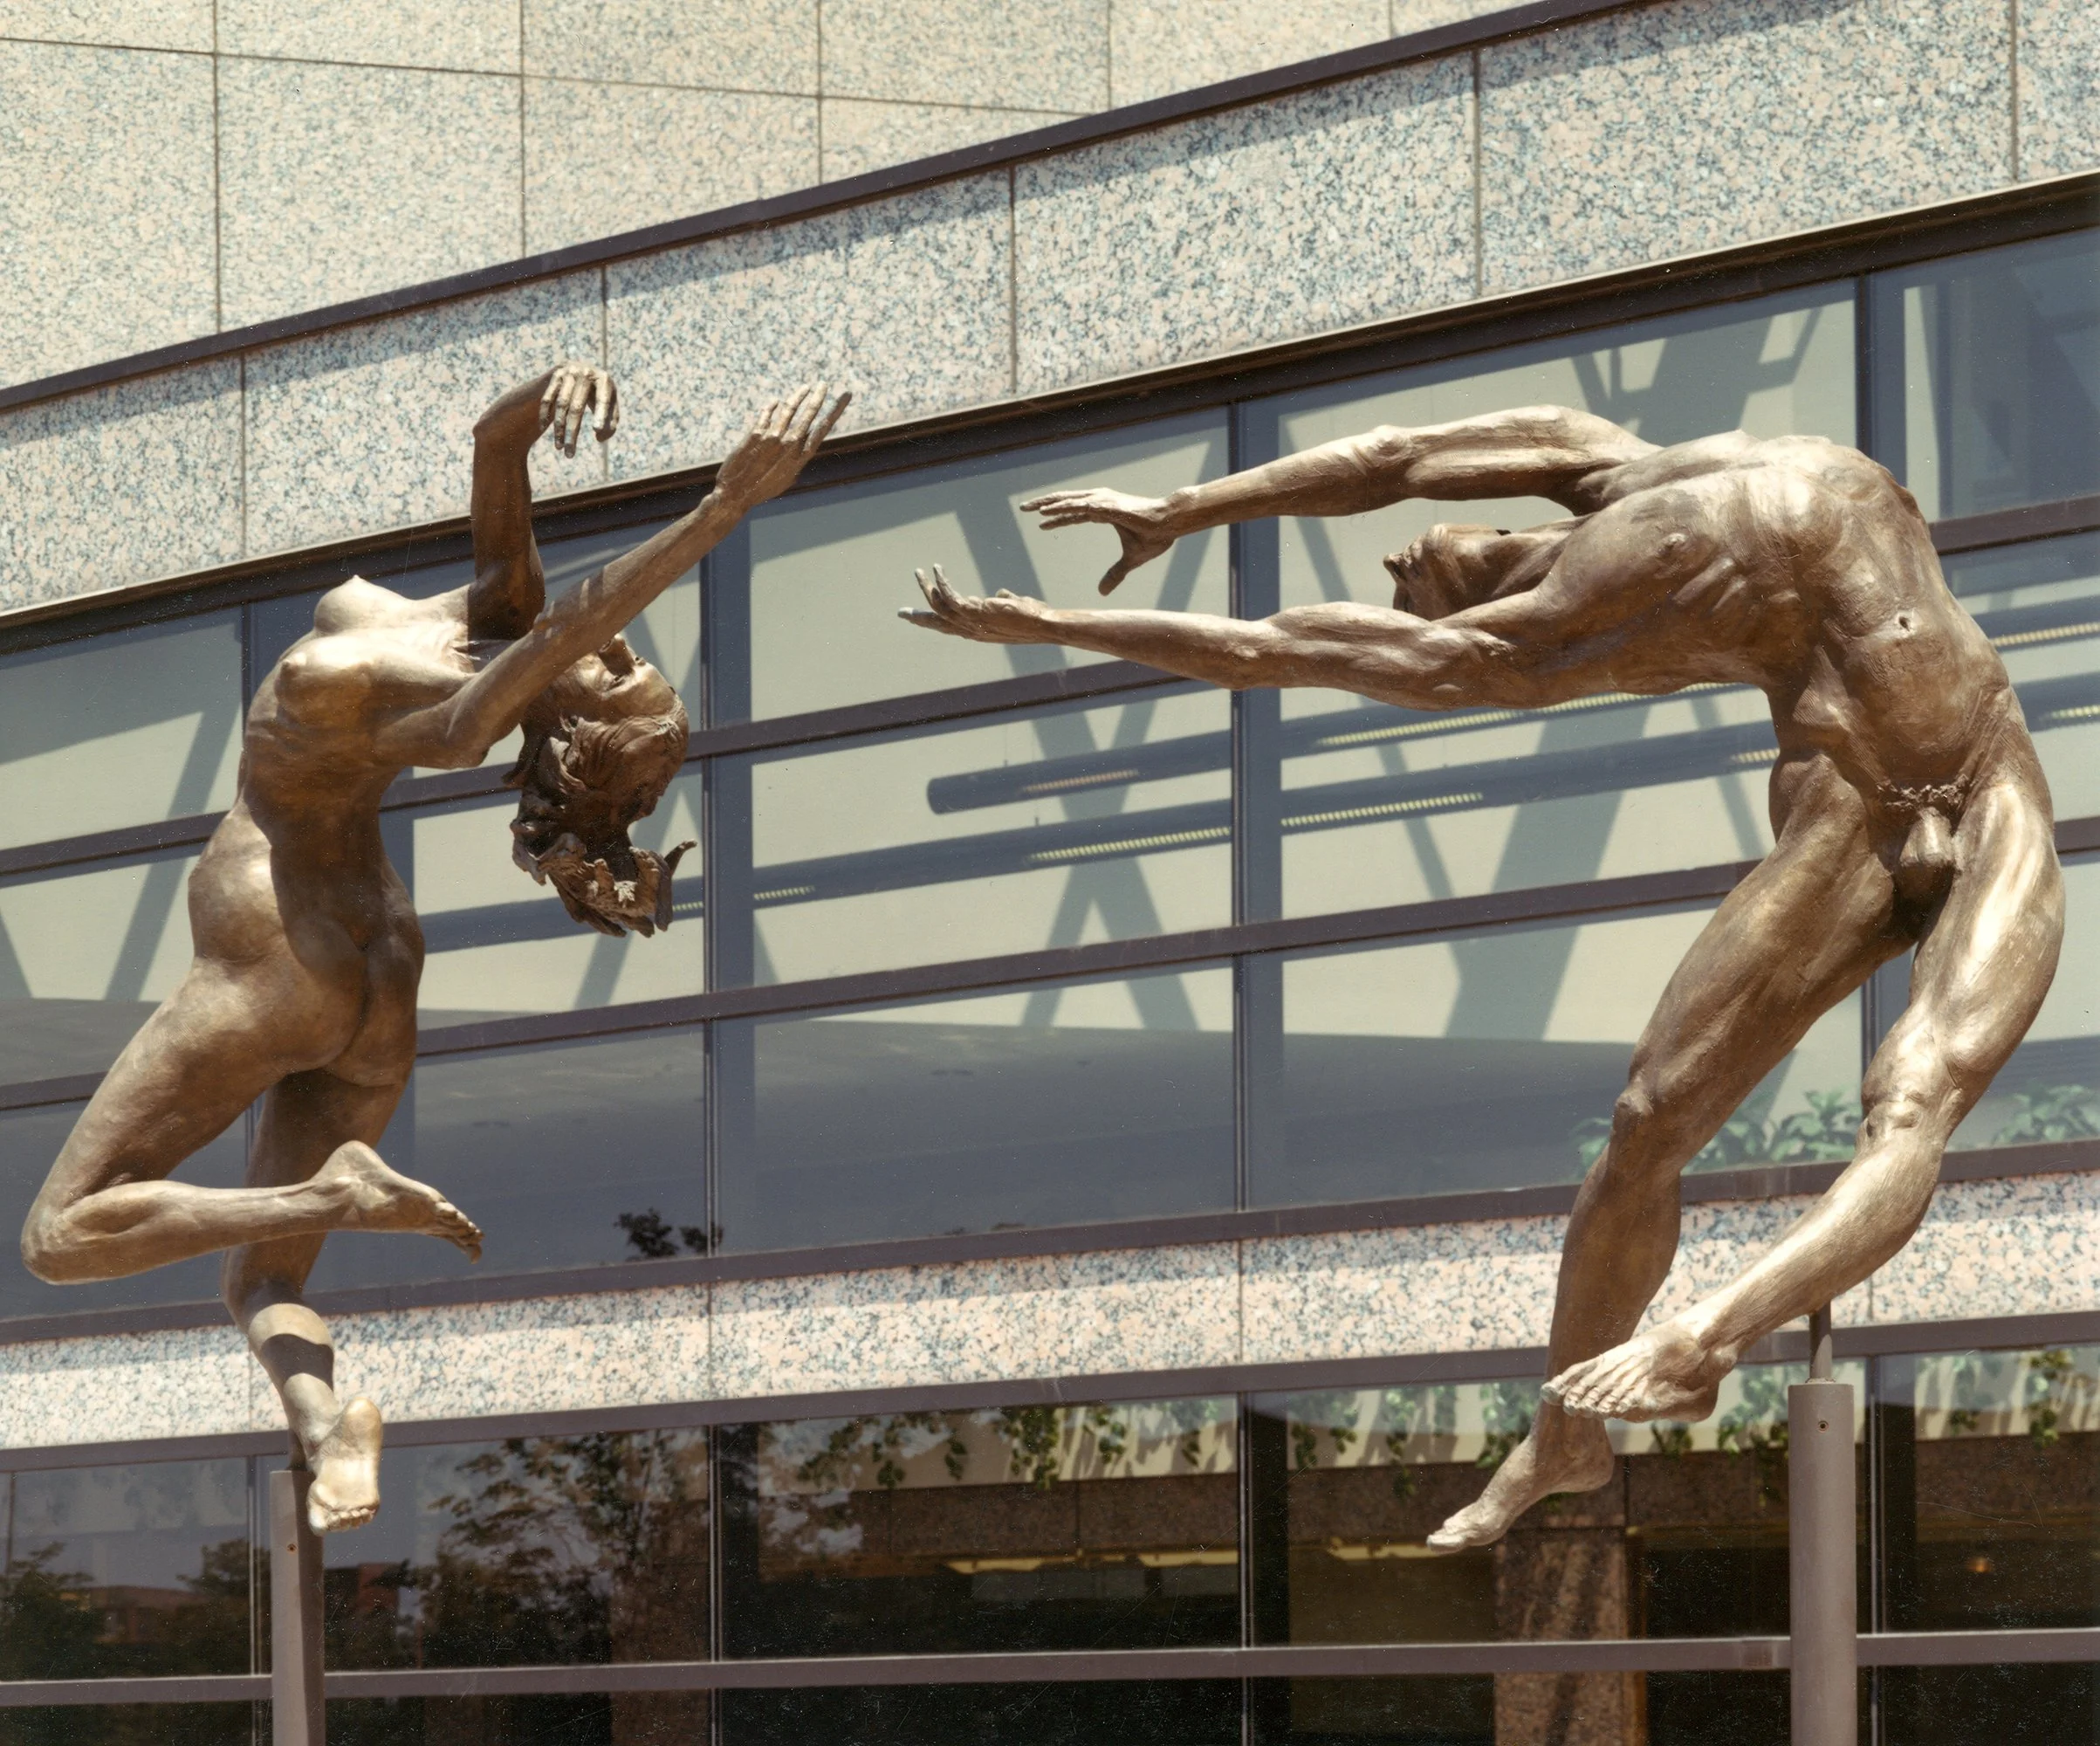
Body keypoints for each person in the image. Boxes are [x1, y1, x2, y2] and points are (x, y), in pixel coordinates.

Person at [901, 405, 2062, 1550]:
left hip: (1989, 773)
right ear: (1470, 614)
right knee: (1651, 1116)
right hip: (1849, 818)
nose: (1404, 568)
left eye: (1413, 569)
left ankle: (1689, 1346)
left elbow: (1397, 461)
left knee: (1917, 1102)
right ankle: (1607, 1404)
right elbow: (1272, 651)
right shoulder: (1532, 640)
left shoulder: (1618, 467)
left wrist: (1187, 505)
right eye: (1411, 591)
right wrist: (1057, 625)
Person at [20, 366, 849, 1534]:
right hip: (382, 968)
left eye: (619, 670)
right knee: (266, 1280)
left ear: (570, 712)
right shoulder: (500, 624)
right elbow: (495, 459)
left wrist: (721, 512)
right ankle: (328, 1431)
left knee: (61, 1238)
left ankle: (330, 1192)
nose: (618, 647)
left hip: (278, 946)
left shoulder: (383, 684)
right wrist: (539, 397)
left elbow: (540, 653)